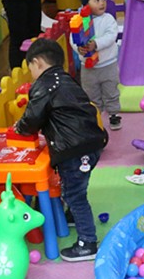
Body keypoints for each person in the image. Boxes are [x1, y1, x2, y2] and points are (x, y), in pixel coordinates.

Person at [14, 39, 108, 262]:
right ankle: (74, 215)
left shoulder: (44, 85)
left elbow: (33, 117)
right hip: (91, 143)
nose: (31, 74)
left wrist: (20, 127)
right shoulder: (66, 79)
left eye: (30, 68)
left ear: (37, 63)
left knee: (75, 195)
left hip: (74, 148)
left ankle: (87, 243)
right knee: (75, 188)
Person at [74, 0, 121, 131]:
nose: (102, 3)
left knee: (111, 91)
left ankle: (114, 114)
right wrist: (79, 48)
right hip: (88, 68)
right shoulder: (81, 20)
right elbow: (73, 38)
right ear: (86, 4)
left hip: (108, 65)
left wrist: (96, 44)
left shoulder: (108, 19)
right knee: (91, 94)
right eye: (97, 0)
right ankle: (96, 116)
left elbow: (111, 36)